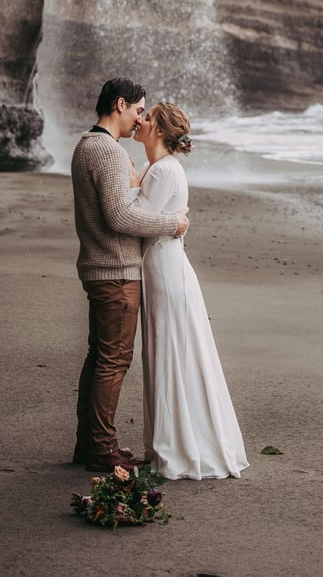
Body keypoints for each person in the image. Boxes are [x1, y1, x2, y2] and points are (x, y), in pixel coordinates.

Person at [71, 78, 189, 473]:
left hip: (102, 265)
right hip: (116, 270)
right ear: (120, 104)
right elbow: (120, 216)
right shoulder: (106, 151)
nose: (140, 118)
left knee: (99, 356)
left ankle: (88, 442)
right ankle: (102, 448)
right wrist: (171, 225)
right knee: (113, 361)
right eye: (139, 109)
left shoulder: (92, 146)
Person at [131, 101, 248, 480]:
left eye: (147, 119)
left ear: (160, 131)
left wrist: (133, 188)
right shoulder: (158, 168)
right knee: (167, 353)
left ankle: (178, 449)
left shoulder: (164, 170)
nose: (140, 121)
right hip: (162, 268)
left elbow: (139, 222)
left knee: (170, 353)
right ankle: (170, 442)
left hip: (166, 273)